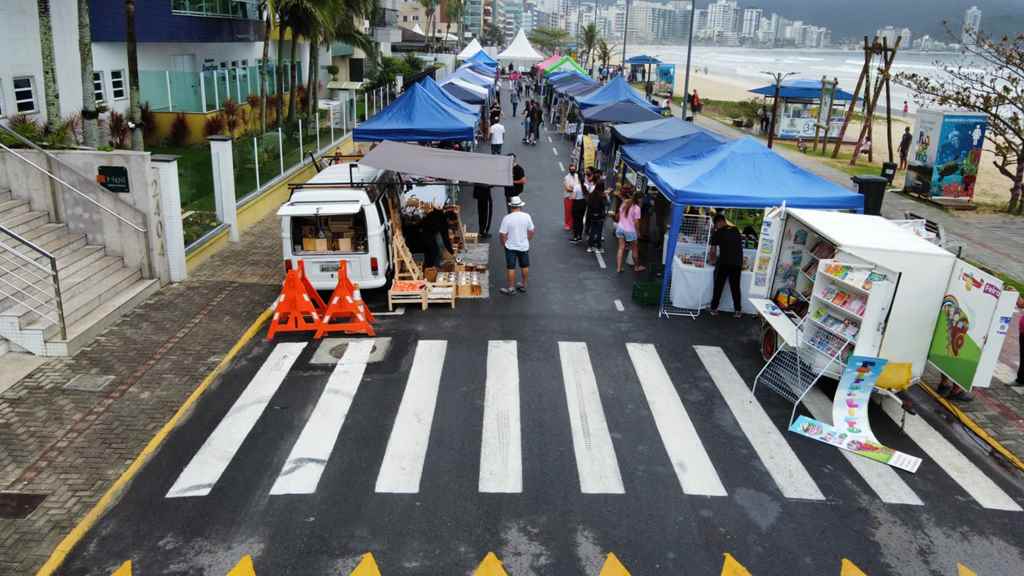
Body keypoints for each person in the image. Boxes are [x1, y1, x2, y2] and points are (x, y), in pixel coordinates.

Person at [708, 214, 744, 318]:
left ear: (718, 222)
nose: (715, 227)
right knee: (735, 287)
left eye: (715, 225)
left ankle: (714, 309)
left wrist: (712, 260)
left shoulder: (718, 232)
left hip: (724, 262)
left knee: (718, 286)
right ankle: (738, 311)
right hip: (737, 263)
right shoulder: (736, 230)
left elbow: (713, 250)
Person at [499, 196, 535, 295]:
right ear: (520, 206)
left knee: (511, 267)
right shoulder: (526, 216)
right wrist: (527, 239)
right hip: (523, 246)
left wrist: (503, 243)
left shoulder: (507, 218)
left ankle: (511, 288)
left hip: (510, 246)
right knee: (525, 266)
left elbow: (503, 234)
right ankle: (524, 285)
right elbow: (531, 231)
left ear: (511, 207)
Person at [615, 191, 645, 273]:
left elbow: (619, 213)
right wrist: (638, 232)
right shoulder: (637, 208)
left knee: (621, 248)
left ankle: (618, 268)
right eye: (642, 199)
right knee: (634, 249)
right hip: (630, 231)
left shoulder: (625, 202)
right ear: (639, 199)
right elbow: (636, 222)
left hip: (620, 228)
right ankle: (636, 267)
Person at [586, 173, 607, 253]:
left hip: (592, 215)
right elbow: (605, 205)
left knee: (592, 231)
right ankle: (598, 247)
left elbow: (589, 204)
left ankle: (590, 247)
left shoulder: (592, 194)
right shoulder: (602, 196)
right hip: (600, 216)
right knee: (599, 232)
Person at [570, 167, 588, 243]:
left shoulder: (576, 187)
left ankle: (575, 237)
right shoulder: (586, 186)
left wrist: (571, 196)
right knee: (580, 220)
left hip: (576, 204)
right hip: (583, 204)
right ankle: (580, 236)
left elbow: (573, 197)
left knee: (575, 221)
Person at [562, 163, 582, 232]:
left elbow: (579, 185)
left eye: (574, 169)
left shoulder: (577, 176)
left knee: (575, 212)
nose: (572, 170)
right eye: (571, 169)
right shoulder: (566, 177)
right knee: (568, 211)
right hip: (568, 197)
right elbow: (567, 189)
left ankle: (572, 224)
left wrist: (573, 188)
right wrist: (575, 189)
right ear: (569, 169)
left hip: (576, 197)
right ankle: (567, 224)